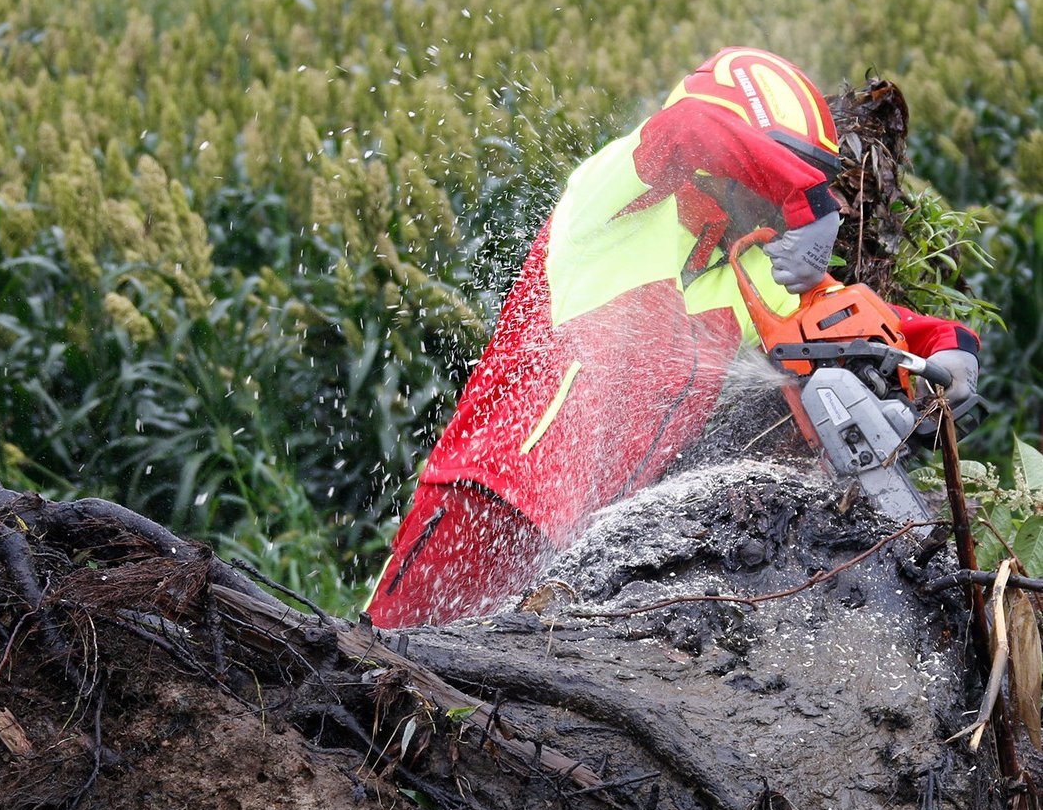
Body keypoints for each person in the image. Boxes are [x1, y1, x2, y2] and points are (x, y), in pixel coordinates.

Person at [365, 47, 980, 629]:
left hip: (585, 550)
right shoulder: (612, 201)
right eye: (779, 173)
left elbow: (854, 317)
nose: (777, 199)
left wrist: (948, 349)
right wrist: (807, 200)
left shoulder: (751, 268)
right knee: (382, 685)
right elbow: (690, 125)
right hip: (487, 502)